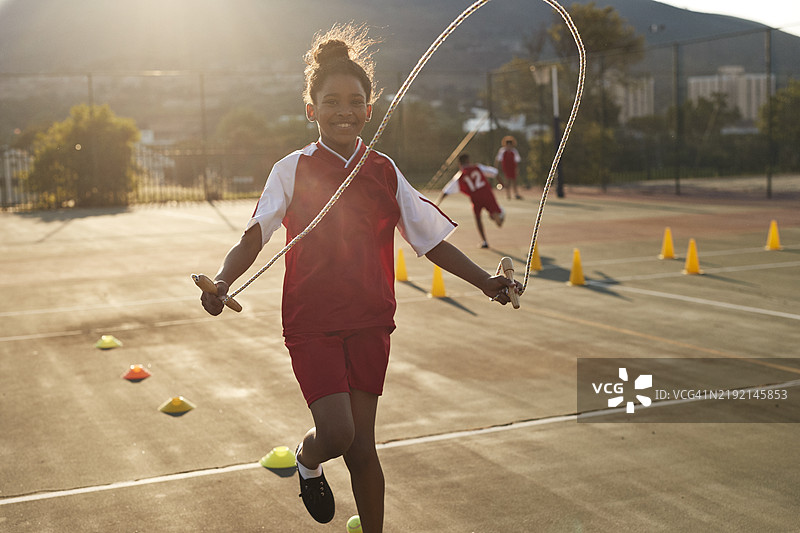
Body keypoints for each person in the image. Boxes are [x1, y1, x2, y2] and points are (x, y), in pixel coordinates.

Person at [199, 23, 520, 533]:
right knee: (338, 432)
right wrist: (221, 281)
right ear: (311, 110)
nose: (343, 110)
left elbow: (429, 238)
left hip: (372, 320)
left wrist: (486, 281)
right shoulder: (292, 169)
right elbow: (253, 235)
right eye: (330, 101)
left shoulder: (384, 170)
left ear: (370, 109)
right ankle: (307, 457)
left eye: (354, 100)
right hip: (313, 321)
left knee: (363, 448)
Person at [437, 153, 505, 249]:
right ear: (468, 161)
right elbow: (495, 172)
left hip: (475, 198)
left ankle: (484, 241)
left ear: (459, 164)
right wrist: (502, 183)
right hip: (487, 194)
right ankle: (499, 214)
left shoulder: (460, 175)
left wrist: (437, 203)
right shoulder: (478, 167)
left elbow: (446, 191)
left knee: (478, 218)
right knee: (498, 221)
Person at [495, 135, 523, 200]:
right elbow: (498, 159)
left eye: (510, 144)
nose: (509, 146)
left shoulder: (514, 151)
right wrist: (497, 167)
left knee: (514, 181)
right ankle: (508, 194)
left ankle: (516, 194)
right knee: (507, 180)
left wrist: (517, 169)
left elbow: (517, 160)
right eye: (508, 144)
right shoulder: (502, 151)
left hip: (513, 167)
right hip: (506, 167)